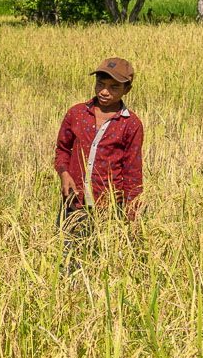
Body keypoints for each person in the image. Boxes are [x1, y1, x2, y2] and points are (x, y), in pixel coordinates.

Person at [55, 58, 143, 247]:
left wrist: (132, 217)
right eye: (100, 84)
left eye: (113, 87)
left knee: (100, 262)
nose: (104, 92)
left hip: (108, 210)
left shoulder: (131, 124)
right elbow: (62, 149)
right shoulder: (76, 114)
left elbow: (132, 173)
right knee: (64, 260)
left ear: (127, 89)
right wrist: (64, 173)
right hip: (72, 204)